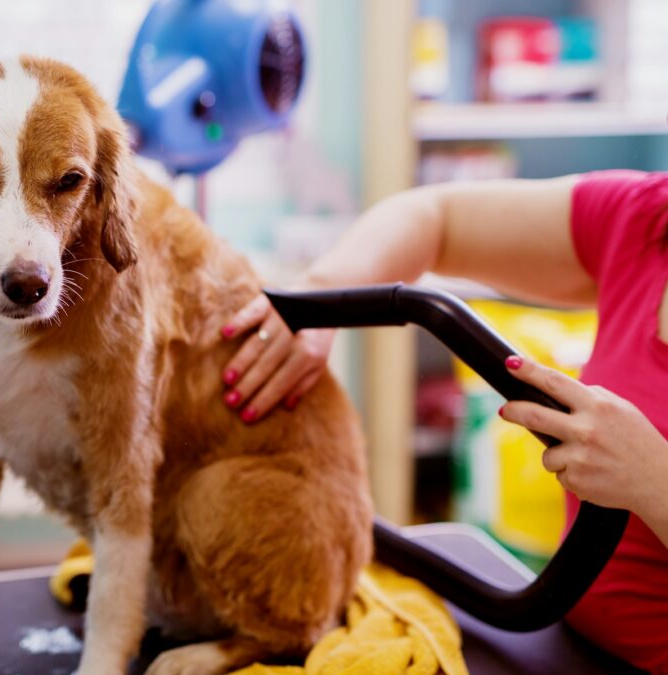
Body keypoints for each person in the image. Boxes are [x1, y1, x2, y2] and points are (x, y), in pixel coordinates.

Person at [218, 171, 668, 672]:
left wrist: (654, 479)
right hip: (569, 639)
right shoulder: (648, 218)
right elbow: (435, 218)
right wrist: (319, 299)